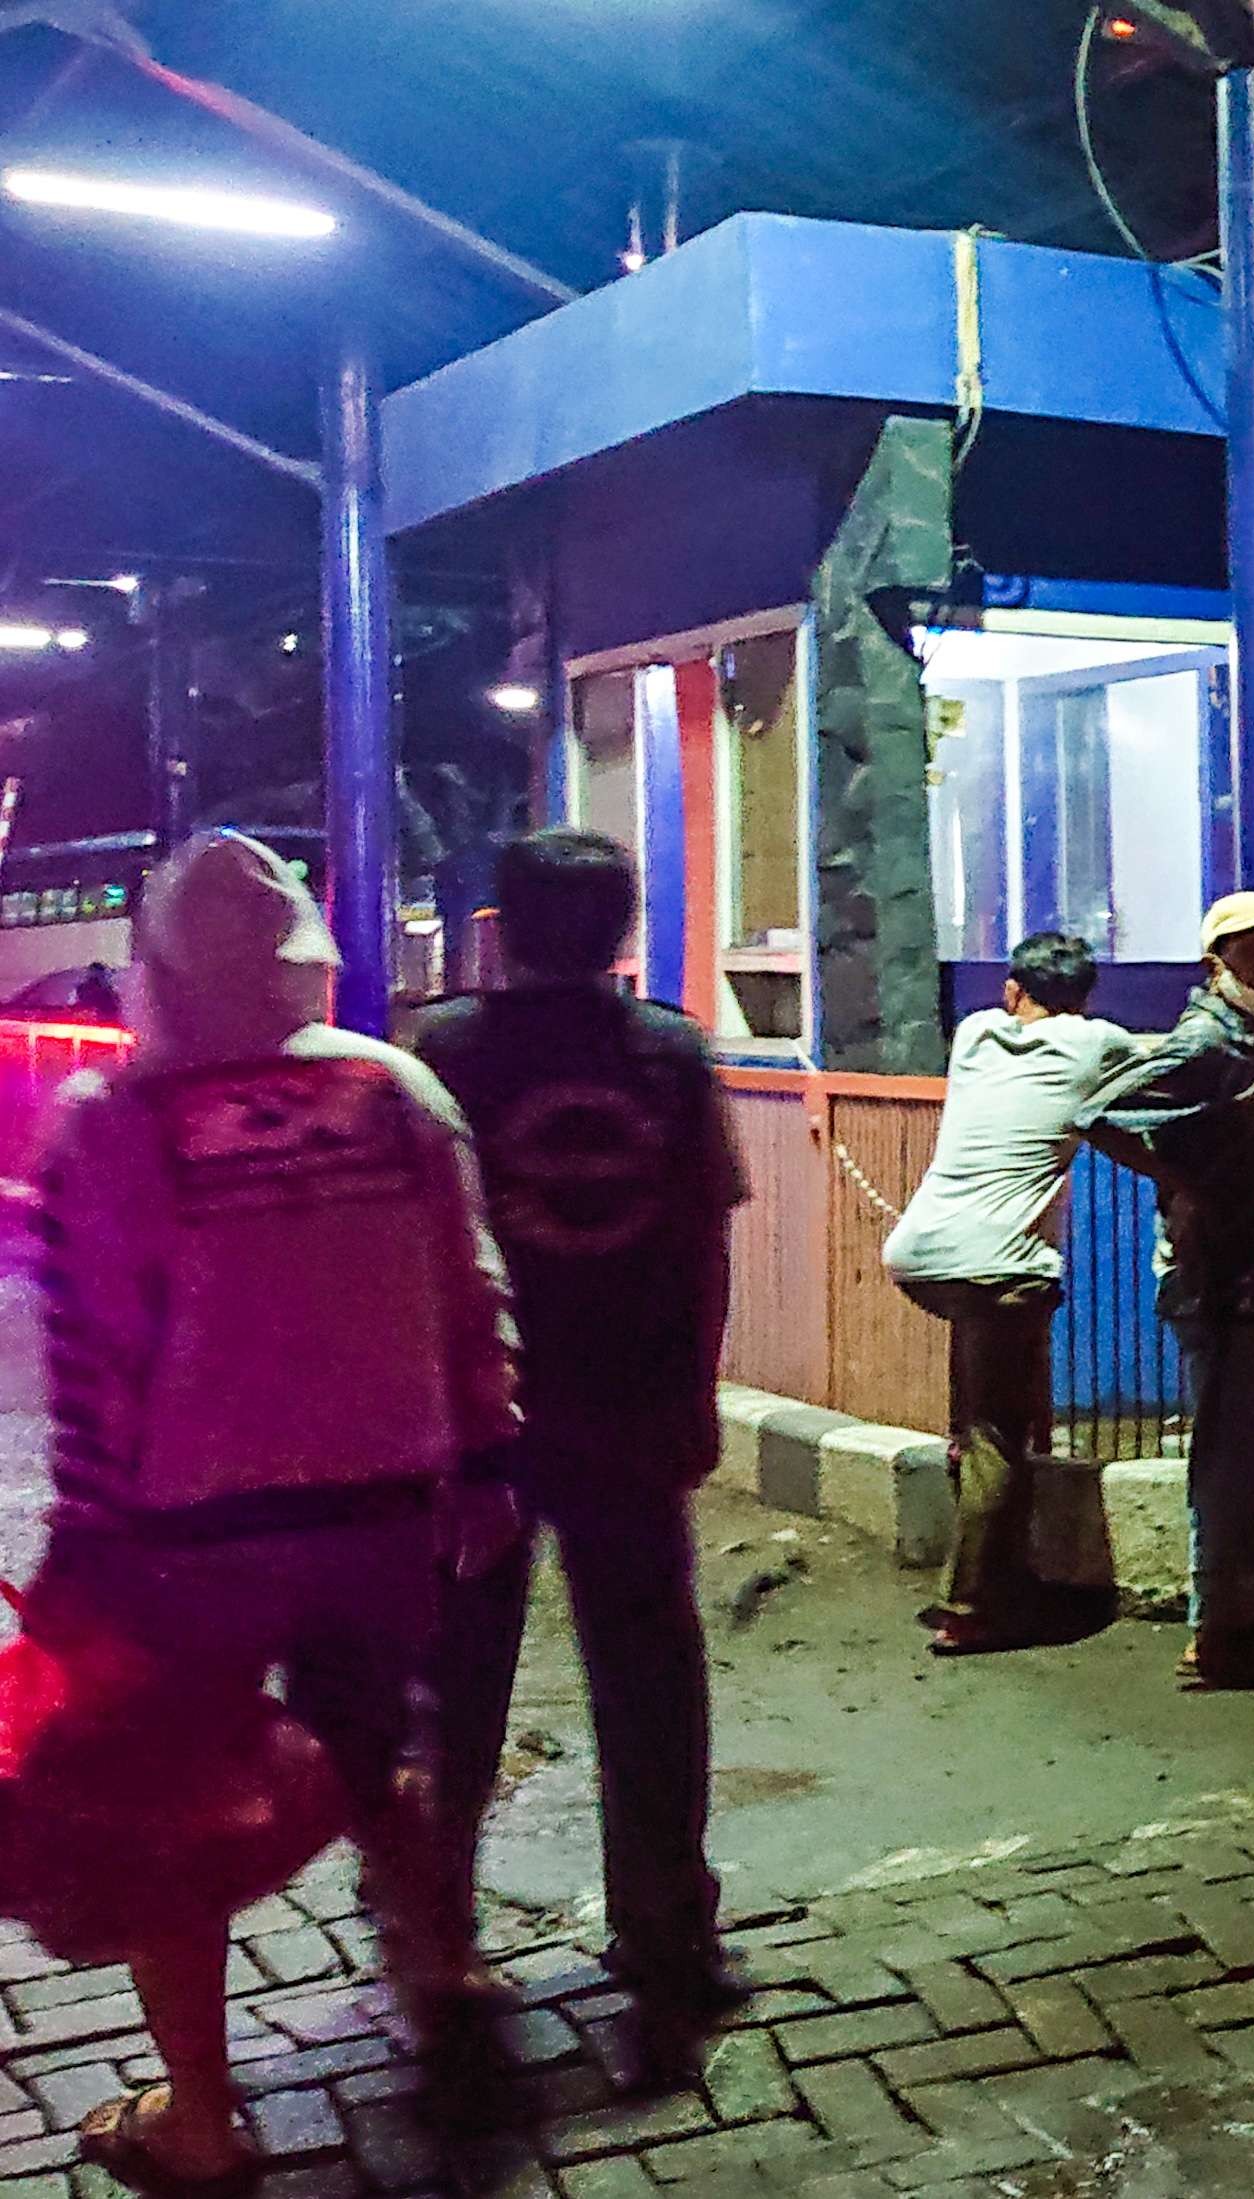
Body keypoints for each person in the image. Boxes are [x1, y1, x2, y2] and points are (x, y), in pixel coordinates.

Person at [18, 831, 519, 2190]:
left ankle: (201, 2112)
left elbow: (92, 1359)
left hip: (189, 1536)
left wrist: (83, 1543)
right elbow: (472, 1293)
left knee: (168, 1804)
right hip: (381, 1506)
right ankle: (443, 1972)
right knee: (375, 1752)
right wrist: (486, 1459)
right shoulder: (394, 1088)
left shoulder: (112, 1122)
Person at [414, 830, 749, 2071]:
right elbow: (705, 1236)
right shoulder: (667, 1050)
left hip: (476, 1421)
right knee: (651, 1677)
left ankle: (437, 1945)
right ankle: (669, 1936)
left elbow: (417, 1242)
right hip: (630, 1409)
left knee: (452, 1688)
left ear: (501, 924)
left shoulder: (444, 1050)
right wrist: (697, 1392)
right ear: (621, 928)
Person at [1082, 893, 1254, 1688]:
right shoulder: (1201, 1043)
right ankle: (1217, 1626)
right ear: (1216, 964)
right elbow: (1096, 1112)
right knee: (1235, 1462)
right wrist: (1181, 1180)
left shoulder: (1249, 1042)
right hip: (1223, 1283)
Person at [882, 933, 1149, 1656]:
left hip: (920, 1253)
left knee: (981, 1414)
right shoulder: (1097, 1044)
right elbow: (1172, 1065)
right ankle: (971, 1605)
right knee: (1002, 1435)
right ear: (1085, 996)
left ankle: (999, 1563)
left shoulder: (975, 1033)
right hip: (1005, 1267)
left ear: (1011, 990)